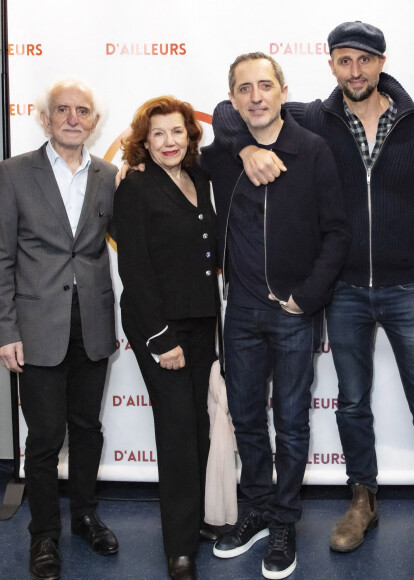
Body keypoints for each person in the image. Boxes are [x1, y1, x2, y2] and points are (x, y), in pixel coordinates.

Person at [211, 22, 414, 572]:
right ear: (330, 65)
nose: (354, 71)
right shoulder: (314, 117)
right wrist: (243, 149)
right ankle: (363, 498)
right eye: (343, 60)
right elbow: (225, 110)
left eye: (364, 60)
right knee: (352, 403)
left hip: (409, 284)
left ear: (381, 63)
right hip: (343, 289)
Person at [201, 52, 350, 579]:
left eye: (265, 85)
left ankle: (285, 518)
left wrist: (309, 296)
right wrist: (241, 144)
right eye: (244, 88)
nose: (255, 96)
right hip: (238, 310)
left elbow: (337, 231)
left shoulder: (312, 149)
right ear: (234, 96)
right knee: (245, 416)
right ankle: (258, 510)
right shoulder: (223, 152)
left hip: (293, 311)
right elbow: (206, 128)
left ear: (284, 90)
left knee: (290, 421)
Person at [0, 78, 119, 580]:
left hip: (92, 323)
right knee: (45, 438)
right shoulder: (13, 173)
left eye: (83, 111)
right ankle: (44, 534)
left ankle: (86, 516)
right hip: (36, 326)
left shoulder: (109, 174)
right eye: (62, 110)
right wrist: (7, 328)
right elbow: (3, 256)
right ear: (45, 119)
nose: (73, 118)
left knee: (88, 430)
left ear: (95, 122)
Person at [114, 96, 219, 580]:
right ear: (144, 141)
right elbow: (134, 268)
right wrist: (160, 338)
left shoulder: (199, 178)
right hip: (160, 327)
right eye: (157, 134)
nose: (169, 142)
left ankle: (193, 522)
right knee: (177, 432)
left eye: (176, 132)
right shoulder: (135, 185)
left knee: (197, 425)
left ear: (190, 135)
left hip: (201, 322)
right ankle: (178, 548)